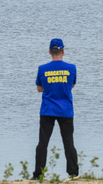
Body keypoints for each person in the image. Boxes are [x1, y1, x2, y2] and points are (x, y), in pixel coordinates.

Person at [32, 38, 79, 180]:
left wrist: (50, 87)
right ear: (63, 51)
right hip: (65, 110)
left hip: (47, 110)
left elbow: (39, 88)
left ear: (49, 52)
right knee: (68, 142)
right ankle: (73, 173)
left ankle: (38, 174)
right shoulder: (71, 68)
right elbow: (71, 86)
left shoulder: (42, 69)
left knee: (43, 143)